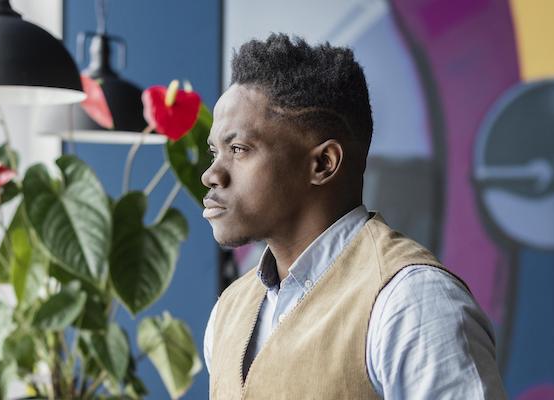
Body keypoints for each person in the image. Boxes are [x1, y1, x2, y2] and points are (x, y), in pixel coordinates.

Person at [201, 34, 506, 399]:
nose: (212, 175)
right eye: (214, 152)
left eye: (238, 149)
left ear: (323, 163)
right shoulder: (229, 310)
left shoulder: (411, 302)